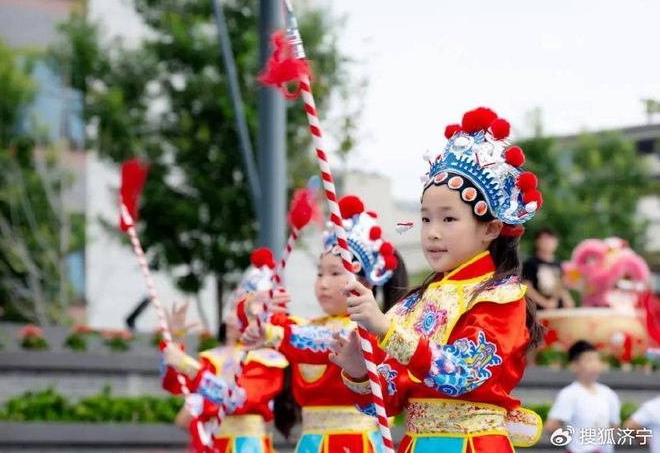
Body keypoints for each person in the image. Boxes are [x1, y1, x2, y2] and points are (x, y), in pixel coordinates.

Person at [330, 107, 546, 452]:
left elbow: (461, 373)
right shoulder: (412, 306)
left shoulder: (500, 298)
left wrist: (386, 330)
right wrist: (359, 372)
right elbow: (387, 405)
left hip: (473, 444)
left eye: (448, 220)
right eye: (426, 219)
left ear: (491, 228)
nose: (432, 233)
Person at [241, 195, 408, 453]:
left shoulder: (366, 329)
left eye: (335, 273)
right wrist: (253, 307)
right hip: (310, 442)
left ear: (365, 282)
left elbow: (316, 340)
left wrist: (271, 330)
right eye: (320, 273)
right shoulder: (307, 325)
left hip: (355, 443)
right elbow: (273, 328)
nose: (323, 283)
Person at [159, 248, 291, 453]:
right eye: (232, 309)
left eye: (239, 311)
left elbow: (237, 400)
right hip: (214, 444)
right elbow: (174, 384)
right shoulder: (213, 358)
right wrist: (175, 340)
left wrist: (187, 364)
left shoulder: (269, 360)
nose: (230, 319)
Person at [545, 340, 621, 453]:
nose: (595, 365)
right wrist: (574, 439)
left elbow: (615, 425)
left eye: (597, 359)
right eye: (589, 360)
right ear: (574, 365)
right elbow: (551, 426)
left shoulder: (609, 394)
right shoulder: (569, 394)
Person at [522, 228, 575, 310]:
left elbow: (560, 286)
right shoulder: (530, 263)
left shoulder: (557, 264)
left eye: (550, 240)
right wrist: (545, 303)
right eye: (544, 240)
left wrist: (567, 301)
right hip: (538, 310)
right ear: (537, 242)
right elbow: (527, 287)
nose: (547, 243)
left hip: (556, 309)